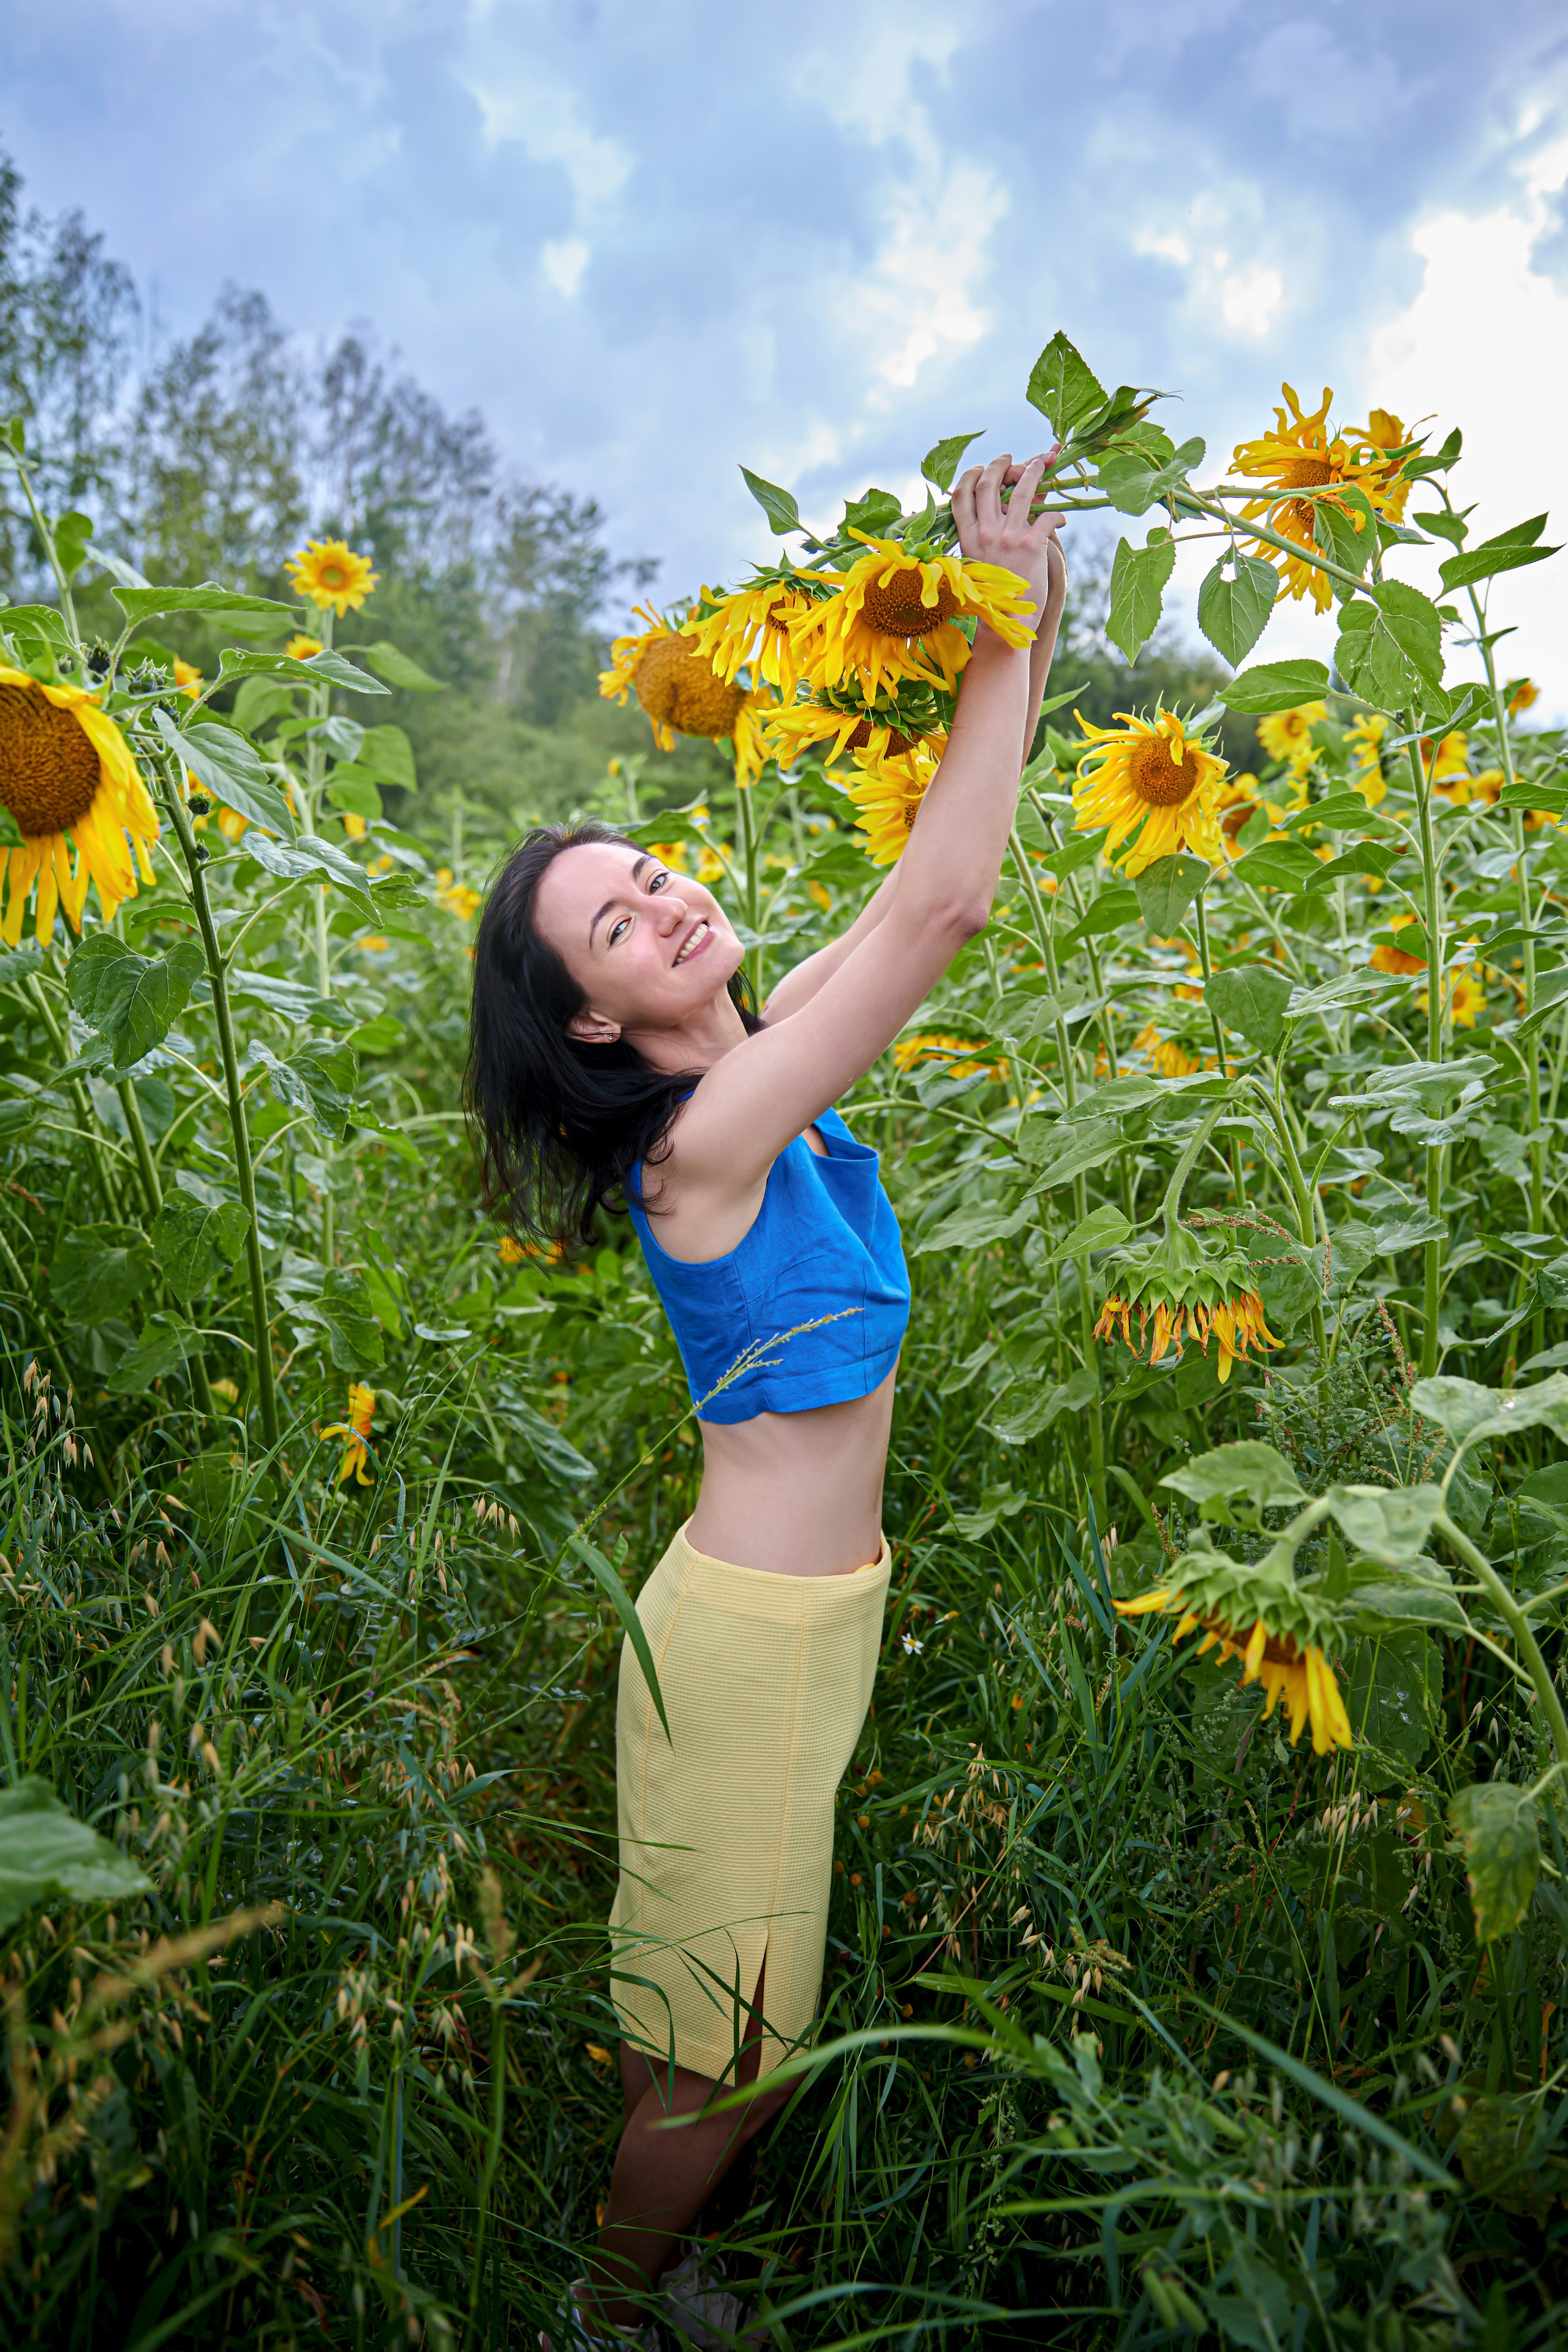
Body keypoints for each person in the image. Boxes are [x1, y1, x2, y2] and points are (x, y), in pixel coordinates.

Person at [466, 453, 1067, 2346]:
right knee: (725, 2051)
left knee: (733, 2020)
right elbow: (946, 912)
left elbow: (919, 886)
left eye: (651, 876)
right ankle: (597, 2307)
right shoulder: (700, 1150)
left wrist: (1019, 620)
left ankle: (650, 2268)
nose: (663, 905)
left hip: (813, 1622)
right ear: (591, 1025)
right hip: (747, 1644)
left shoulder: (764, 1064)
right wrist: (999, 625)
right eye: (617, 930)